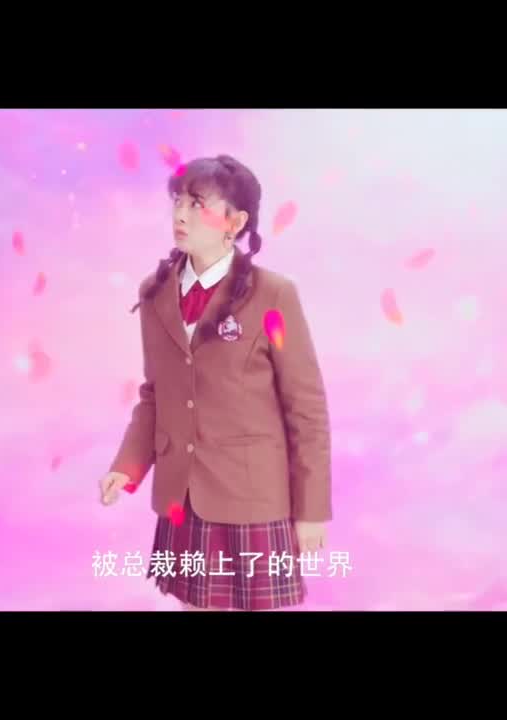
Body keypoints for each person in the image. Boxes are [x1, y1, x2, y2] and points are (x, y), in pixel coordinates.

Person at [98, 154, 332, 611]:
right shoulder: (155, 292)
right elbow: (156, 394)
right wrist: (127, 466)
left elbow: (305, 407)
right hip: (183, 492)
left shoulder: (273, 294)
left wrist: (311, 510)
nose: (181, 214)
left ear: (235, 222)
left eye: (198, 204)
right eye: (178, 202)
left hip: (252, 493)